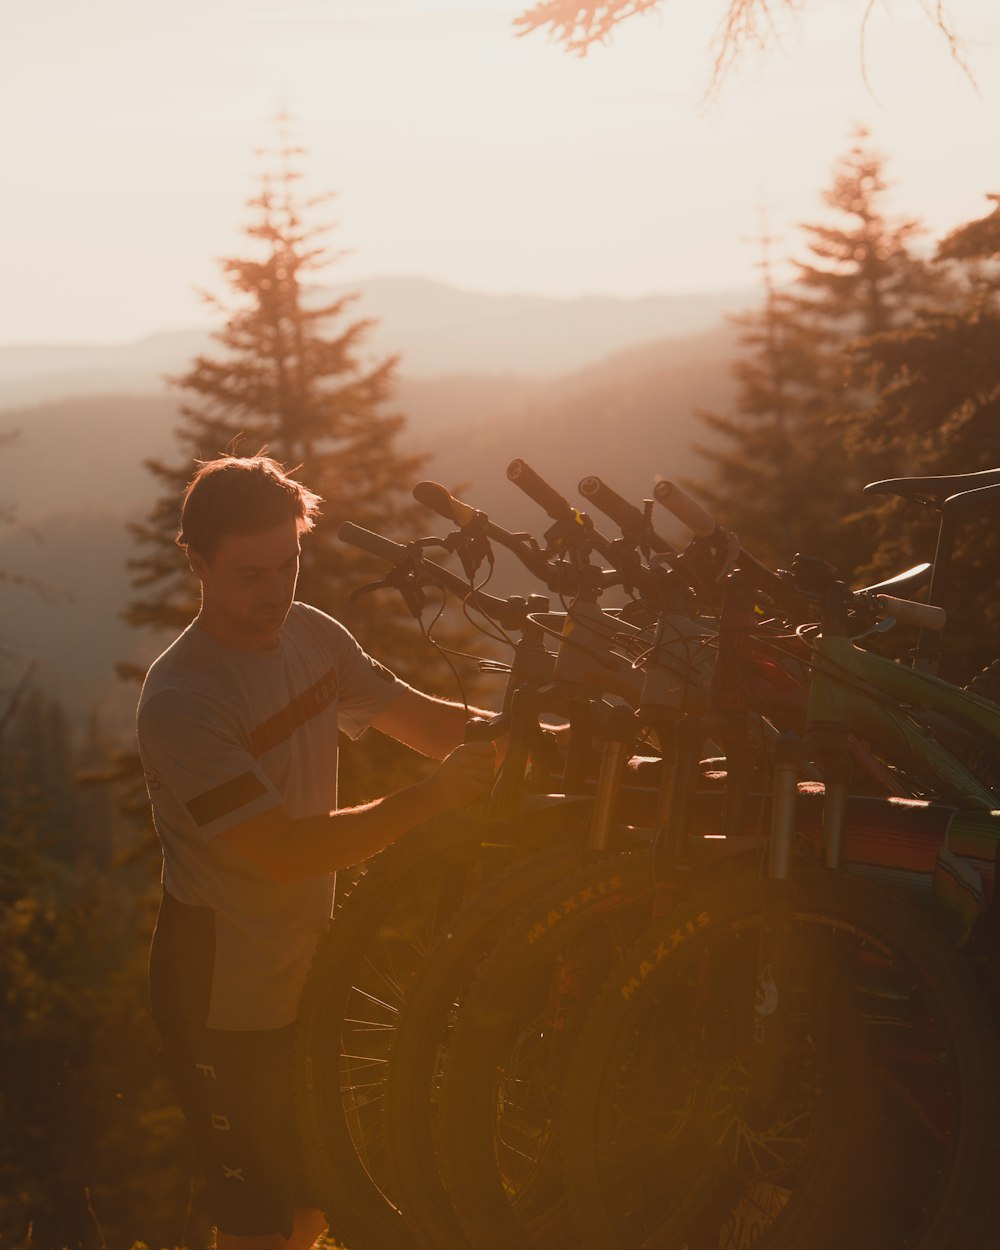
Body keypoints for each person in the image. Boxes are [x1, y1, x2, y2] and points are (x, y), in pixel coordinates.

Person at [136, 454, 497, 1250]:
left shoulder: (312, 635)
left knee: (311, 1211)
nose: (274, 593)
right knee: (258, 1231)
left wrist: (580, 744)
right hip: (217, 1001)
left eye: (289, 564)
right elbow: (282, 852)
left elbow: (431, 726)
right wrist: (430, 803)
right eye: (248, 574)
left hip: (305, 978)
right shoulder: (182, 698)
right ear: (196, 563)